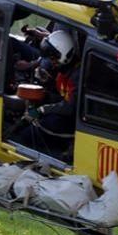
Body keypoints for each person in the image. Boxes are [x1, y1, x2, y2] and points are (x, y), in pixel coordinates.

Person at [9, 30, 81, 160]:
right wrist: (44, 95)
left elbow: (71, 107)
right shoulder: (63, 71)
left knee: (27, 135)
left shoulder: (77, 76)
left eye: (52, 58)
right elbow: (61, 97)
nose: (50, 62)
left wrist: (43, 109)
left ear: (63, 55)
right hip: (63, 115)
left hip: (72, 123)